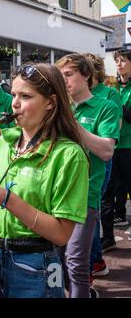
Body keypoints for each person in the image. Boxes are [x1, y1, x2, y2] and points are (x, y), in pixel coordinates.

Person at [0, 63, 90, 298]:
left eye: (26, 96)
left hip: (36, 265)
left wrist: (7, 199)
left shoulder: (69, 155)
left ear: (51, 102)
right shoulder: (4, 144)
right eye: (13, 94)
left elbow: (61, 234)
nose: (14, 103)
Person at [56, 53, 120, 298]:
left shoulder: (106, 106)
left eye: (69, 75)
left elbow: (106, 151)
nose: (64, 81)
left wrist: (72, 123)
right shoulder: (58, 107)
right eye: (60, 76)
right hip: (56, 194)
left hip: (85, 193)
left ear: (86, 75)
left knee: (76, 264)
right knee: (55, 260)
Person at [82, 53, 122, 287]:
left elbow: (113, 131)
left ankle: (94, 260)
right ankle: (95, 259)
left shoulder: (109, 95)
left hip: (101, 160)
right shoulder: (73, 95)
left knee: (93, 206)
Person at [101, 49, 131, 245]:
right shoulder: (112, 87)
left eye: (123, 61)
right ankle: (109, 237)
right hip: (111, 145)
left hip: (128, 145)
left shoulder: (119, 92)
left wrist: (116, 103)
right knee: (109, 190)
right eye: (117, 61)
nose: (119, 64)